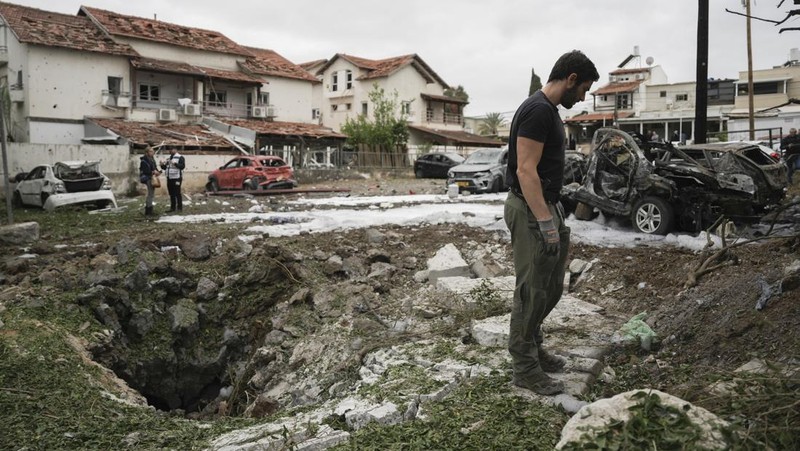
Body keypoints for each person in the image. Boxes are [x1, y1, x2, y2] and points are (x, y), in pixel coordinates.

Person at [504, 50, 599, 395]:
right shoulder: (537, 111)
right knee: (531, 292)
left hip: (546, 206)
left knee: (550, 288)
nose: (583, 96)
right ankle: (524, 367)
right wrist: (545, 221)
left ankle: (534, 347)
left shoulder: (549, 112)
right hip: (531, 211)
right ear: (571, 79)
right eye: (584, 88)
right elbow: (525, 170)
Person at [161, 148, 186, 212]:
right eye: (169, 150)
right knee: (171, 193)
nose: (170, 151)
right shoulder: (169, 158)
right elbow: (166, 168)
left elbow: (182, 166)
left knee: (177, 192)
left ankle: (179, 208)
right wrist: (162, 165)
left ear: (175, 150)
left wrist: (175, 164)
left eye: (172, 150)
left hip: (177, 178)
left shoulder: (180, 157)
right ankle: (172, 208)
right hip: (169, 178)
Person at [139, 146, 161, 217]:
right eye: (151, 151)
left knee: (151, 194)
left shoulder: (152, 159)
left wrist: (158, 171)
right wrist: (153, 172)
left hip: (152, 177)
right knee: (150, 194)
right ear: (147, 152)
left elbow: (154, 168)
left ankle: (150, 209)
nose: (153, 152)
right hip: (148, 178)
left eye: (153, 151)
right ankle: (148, 210)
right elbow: (145, 171)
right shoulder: (144, 161)